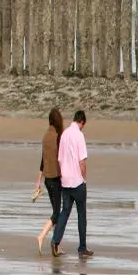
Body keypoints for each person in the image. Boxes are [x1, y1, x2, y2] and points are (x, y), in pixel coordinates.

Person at [51, 109, 92, 258]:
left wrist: (63, 176)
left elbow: (60, 159)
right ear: (81, 122)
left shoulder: (64, 134)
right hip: (77, 181)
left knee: (65, 212)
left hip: (65, 180)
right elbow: (82, 161)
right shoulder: (79, 135)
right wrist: (84, 178)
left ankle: (56, 240)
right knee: (81, 215)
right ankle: (82, 248)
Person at [32, 107, 66, 252]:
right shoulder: (59, 136)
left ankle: (56, 245)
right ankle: (42, 236)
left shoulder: (45, 136)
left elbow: (42, 160)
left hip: (47, 179)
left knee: (56, 211)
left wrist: (38, 181)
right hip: (56, 179)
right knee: (57, 213)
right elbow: (60, 159)